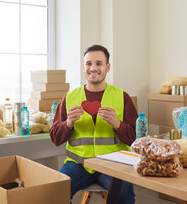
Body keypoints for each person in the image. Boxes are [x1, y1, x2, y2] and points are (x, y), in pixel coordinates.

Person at [50, 45, 139, 204]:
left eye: (99, 63)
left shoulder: (122, 97)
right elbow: (55, 138)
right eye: (89, 63)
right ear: (83, 67)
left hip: (114, 164)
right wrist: (68, 123)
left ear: (107, 67)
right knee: (55, 192)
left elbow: (136, 139)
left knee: (124, 195)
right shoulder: (69, 97)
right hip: (78, 164)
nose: (93, 68)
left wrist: (118, 124)